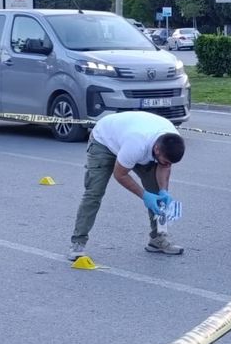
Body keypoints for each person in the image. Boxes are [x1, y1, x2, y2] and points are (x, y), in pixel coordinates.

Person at [67, 111, 186, 260]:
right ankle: (78, 243)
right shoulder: (136, 144)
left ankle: (157, 239)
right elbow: (120, 174)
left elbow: (165, 166)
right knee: (94, 193)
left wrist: (163, 190)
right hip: (104, 141)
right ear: (156, 149)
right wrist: (144, 195)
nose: (167, 165)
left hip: (131, 139)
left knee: (156, 192)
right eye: (165, 161)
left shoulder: (171, 139)